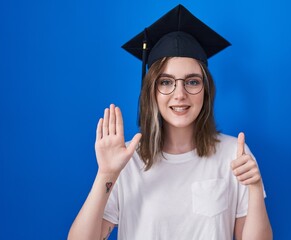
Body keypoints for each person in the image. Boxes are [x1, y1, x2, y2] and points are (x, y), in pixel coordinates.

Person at [68, 4, 272, 240]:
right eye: (166, 82)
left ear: (206, 90)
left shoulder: (233, 155)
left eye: (192, 82)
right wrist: (106, 174)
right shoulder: (126, 162)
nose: (180, 94)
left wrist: (255, 189)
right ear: (151, 91)